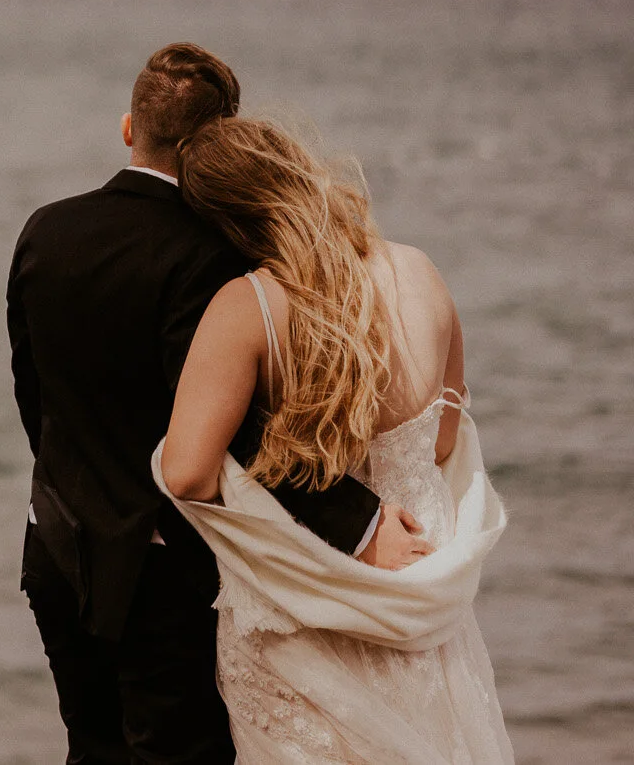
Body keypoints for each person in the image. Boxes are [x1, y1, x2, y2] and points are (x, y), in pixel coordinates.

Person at [6, 43, 425, 765]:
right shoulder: (208, 254)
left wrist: (70, 487)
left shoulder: (45, 228)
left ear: (129, 127)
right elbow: (233, 434)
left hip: (53, 541)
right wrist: (359, 522)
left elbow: (31, 391)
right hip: (158, 569)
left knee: (90, 749)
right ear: (218, 144)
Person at [156, 116, 512, 763]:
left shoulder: (250, 307)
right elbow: (442, 441)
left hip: (302, 616)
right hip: (423, 594)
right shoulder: (420, 272)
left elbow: (185, 472)